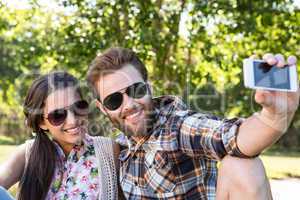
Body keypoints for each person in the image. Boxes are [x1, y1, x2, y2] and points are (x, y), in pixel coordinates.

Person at [86, 47, 299, 199]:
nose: (129, 104)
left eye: (136, 90)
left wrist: (275, 115)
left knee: (243, 164)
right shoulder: (120, 148)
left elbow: (234, 137)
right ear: (102, 108)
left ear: (149, 88)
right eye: (114, 100)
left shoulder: (176, 127)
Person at [0, 71, 122, 200]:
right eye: (58, 115)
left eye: (78, 107)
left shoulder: (109, 150)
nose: (73, 120)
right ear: (42, 122)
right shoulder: (27, 154)